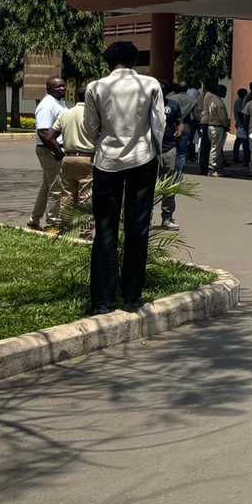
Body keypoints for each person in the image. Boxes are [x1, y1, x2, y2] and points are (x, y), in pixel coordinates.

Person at [82, 41, 166, 315]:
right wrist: (158, 153)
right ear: (135, 60)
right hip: (143, 159)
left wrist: (103, 141)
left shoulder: (96, 87)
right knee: (138, 227)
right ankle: (132, 296)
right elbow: (158, 124)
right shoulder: (150, 84)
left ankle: (102, 300)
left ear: (108, 61)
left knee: (105, 227)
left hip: (107, 161)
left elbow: (90, 128)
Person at [29, 75, 68, 231]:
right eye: (58, 87)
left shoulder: (58, 103)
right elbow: (44, 132)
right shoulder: (46, 105)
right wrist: (58, 152)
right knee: (56, 188)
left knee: (47, 186)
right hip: (49, 150)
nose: (62, 88)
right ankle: (53, 224)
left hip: (53, 149)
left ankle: (34, 220)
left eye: (63, 85)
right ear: (48, 89)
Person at [53, 98, 95, 228]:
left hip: (68, 158)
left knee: (67, 197)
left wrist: (59, 152)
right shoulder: (93, 114)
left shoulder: (66, 114)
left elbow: (49, 136)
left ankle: (65, 229)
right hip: (87, 159)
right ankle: (85, 233)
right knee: (86, 198)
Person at [158, 90, 185, 231]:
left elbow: (180, 122)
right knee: (148, 185)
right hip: (150, 150)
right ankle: (146, 219)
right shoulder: (147, 104)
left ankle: (167, 218)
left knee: (169, 184)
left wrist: (180, 129)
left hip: (169, 148)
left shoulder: (173, 105)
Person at [198, 83, 229, 175]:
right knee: (215, 149)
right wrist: (226, 125)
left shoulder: (210, 98)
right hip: (217, 126)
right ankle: (212, 169)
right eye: (224, 91)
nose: (225, 94)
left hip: (210, 126)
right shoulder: (217, 101)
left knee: (212, 148)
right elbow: (222, 116)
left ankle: (211, 168)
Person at [232, 87, 250, 166]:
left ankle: (235, 157)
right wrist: (244, 123)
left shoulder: (239, 101)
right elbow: (240, 113)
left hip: (239, 123)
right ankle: (246, 159)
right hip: (241, 124)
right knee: (244, 142)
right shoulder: (239, 102)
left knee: (238, 141)